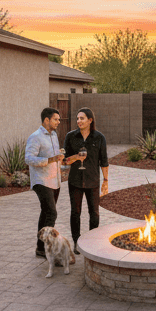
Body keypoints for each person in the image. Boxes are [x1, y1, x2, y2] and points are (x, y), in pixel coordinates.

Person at [63, 106, 109, 254]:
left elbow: (104, 161)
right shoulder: (70, 137)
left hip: (93, 180)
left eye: (82, 118)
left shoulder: (99, 137)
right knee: (75, 212)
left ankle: (92, 241)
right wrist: (76, 157)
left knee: (94, 213)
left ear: (90, 120)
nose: (79, 121)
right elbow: (65, 161)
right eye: (77, 118)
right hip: (75, 180)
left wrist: (105, 181)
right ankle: (76, 242)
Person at [25, 107, 64, 258]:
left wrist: (62, 160)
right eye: (56, 119)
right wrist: (50, 160)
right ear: (46, 120)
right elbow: (28, 158)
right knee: (52, 213)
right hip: (41, 181)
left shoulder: (54, 135)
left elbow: (55, 157)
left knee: (46, 212)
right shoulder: (35, 137)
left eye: (59, 119)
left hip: (55, 180)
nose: (59, 122)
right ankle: (48, 247)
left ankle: (40, 248)